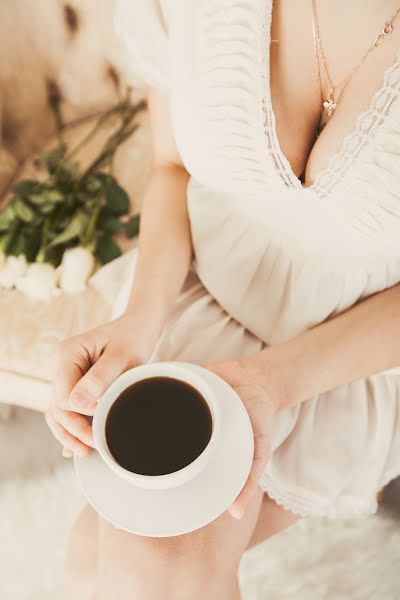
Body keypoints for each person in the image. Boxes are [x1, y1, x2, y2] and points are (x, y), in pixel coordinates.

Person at [46, 1, 400, 598]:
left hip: (357, 350)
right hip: (200, 294)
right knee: (91, 562)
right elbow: (172, 165)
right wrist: (138, 321)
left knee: (150, 570)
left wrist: (272, 382)